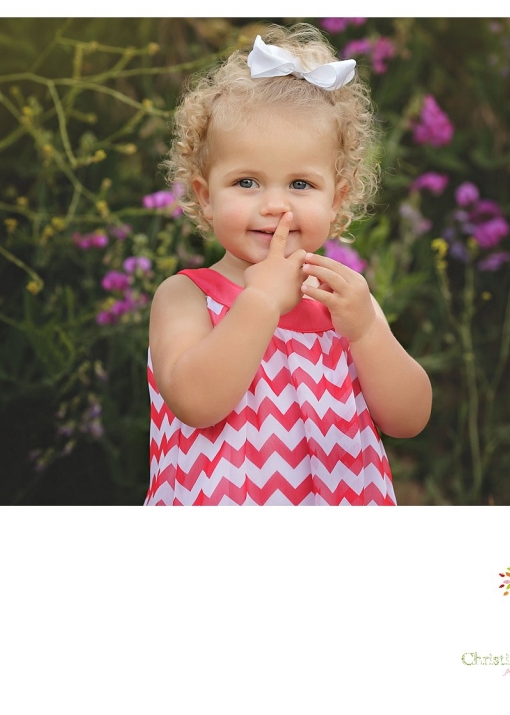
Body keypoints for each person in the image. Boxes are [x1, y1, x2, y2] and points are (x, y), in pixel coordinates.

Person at [145, 24, 432, 505]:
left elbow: (409, 418)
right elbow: (196, 403)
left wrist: (366, 331)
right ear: (205, 196)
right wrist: (259, 302)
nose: (276, 205)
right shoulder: (187, 296)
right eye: (247, 182)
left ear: (336, 201)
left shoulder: (343, 303)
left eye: (300, 185)